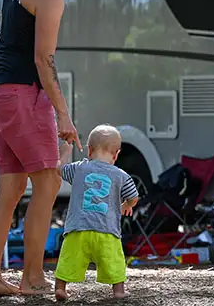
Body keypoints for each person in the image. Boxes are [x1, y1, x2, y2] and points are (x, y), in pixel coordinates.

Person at [0, 0, 96, 298]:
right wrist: (63, 114)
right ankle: (32, 277)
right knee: (47, 181)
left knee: (9, 188)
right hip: (22, 95)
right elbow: (44, 59)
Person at [54, 124, 139, 301]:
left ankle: (60, 287)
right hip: (106, 231)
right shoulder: (121, 175)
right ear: (116, 154)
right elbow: (134, 196)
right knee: (115, 261)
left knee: (68, 258)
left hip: (78, 229)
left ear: (89, 150)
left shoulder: (78, 169)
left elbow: (60, 169)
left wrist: (64, 153)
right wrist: (126, 204)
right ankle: (118, 291)